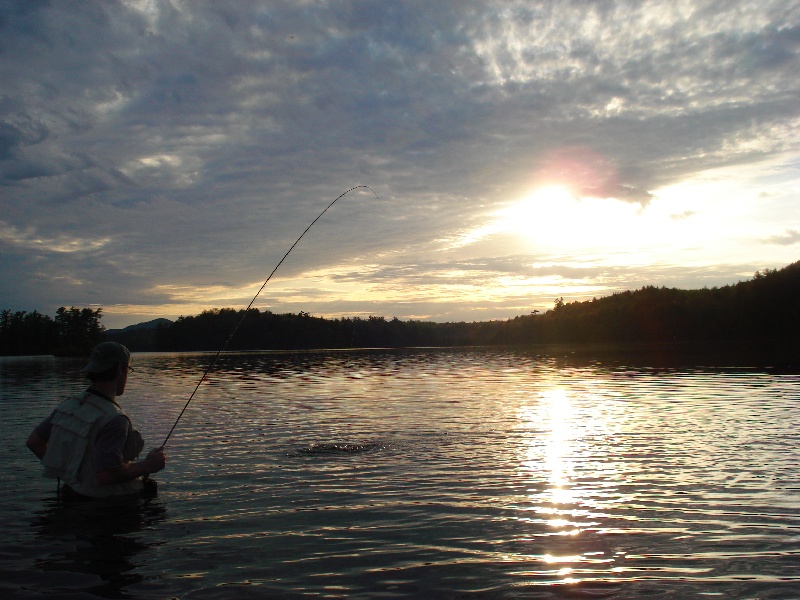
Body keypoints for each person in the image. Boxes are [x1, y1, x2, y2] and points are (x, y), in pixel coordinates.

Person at [26, 342, 166, 500]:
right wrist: (146, 465)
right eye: (128, 370)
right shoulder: (115, 420)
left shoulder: (67, 406)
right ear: (120, 369)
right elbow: (105, 476)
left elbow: (34, 442)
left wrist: (69, 471)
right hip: (105, 509)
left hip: (70, 494)